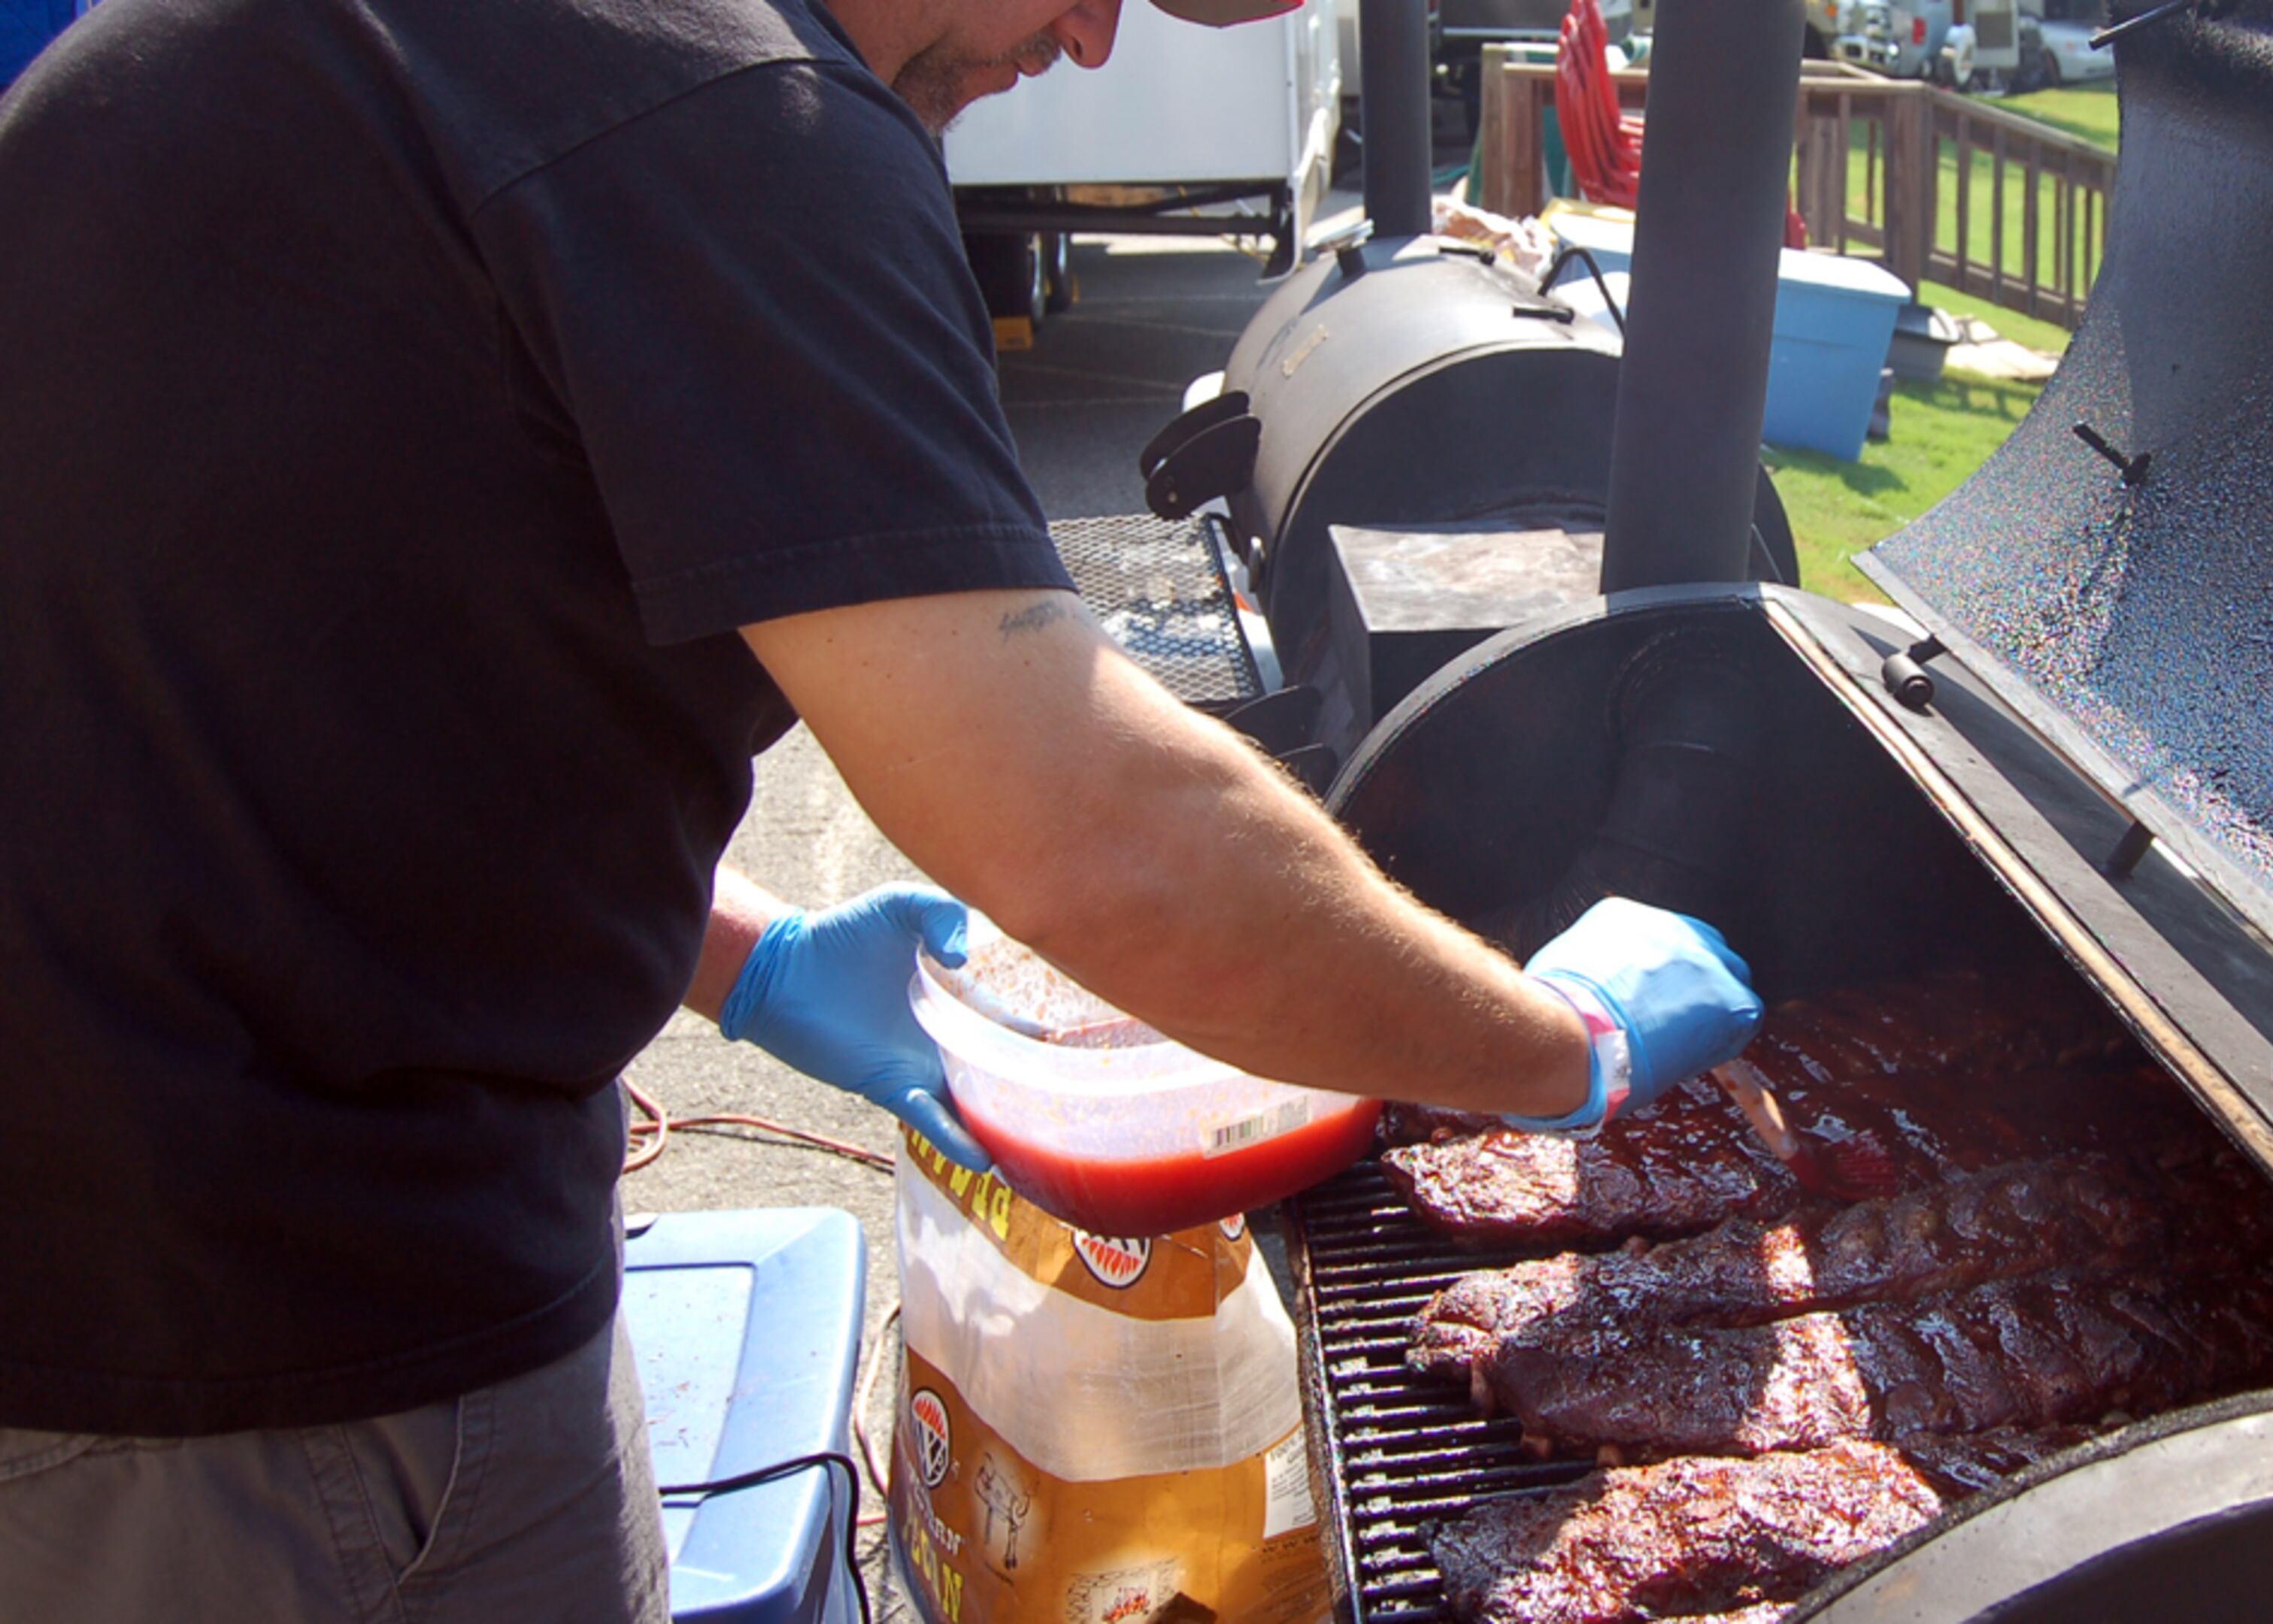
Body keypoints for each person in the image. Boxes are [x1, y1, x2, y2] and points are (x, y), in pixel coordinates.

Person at [0, 0, 1762, 1618]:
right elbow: (1100, 834)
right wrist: (1560, 1056)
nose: (1086, 39)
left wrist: (740, 958)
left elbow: (270, 671)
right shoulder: (725, 113)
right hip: (232, 1306)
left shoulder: (491, 55)